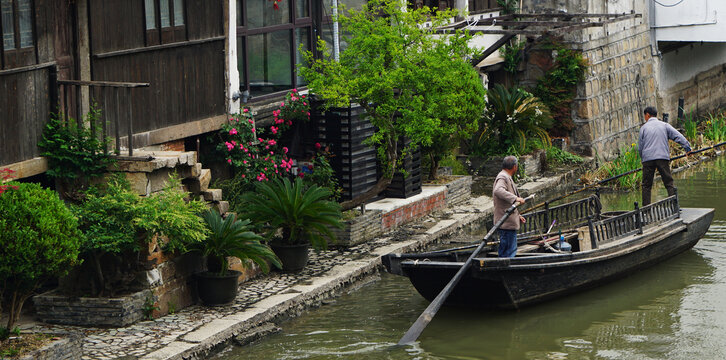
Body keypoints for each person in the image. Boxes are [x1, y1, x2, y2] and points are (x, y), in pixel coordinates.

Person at [638, 106, 692, 206]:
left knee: (646, 185)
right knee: (668, 182)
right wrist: (687, 148)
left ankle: (646, 210)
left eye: (645, 116)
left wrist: (643, 159)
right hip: (662, 157)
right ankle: (674, 205)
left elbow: (640, 147)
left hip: (648, 159)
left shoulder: (643, 128)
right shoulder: (664, 125)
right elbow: (678, 136)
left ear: (648, 115)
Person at [492, 156, 526, 258]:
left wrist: (518, 215)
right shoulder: (503, 177)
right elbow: (498, 190)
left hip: (509, 221)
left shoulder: (507, 177)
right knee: (508, 253)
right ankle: (505, 272)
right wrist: (515, 198)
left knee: (509, 250)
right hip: (505, 223)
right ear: (515, 167)